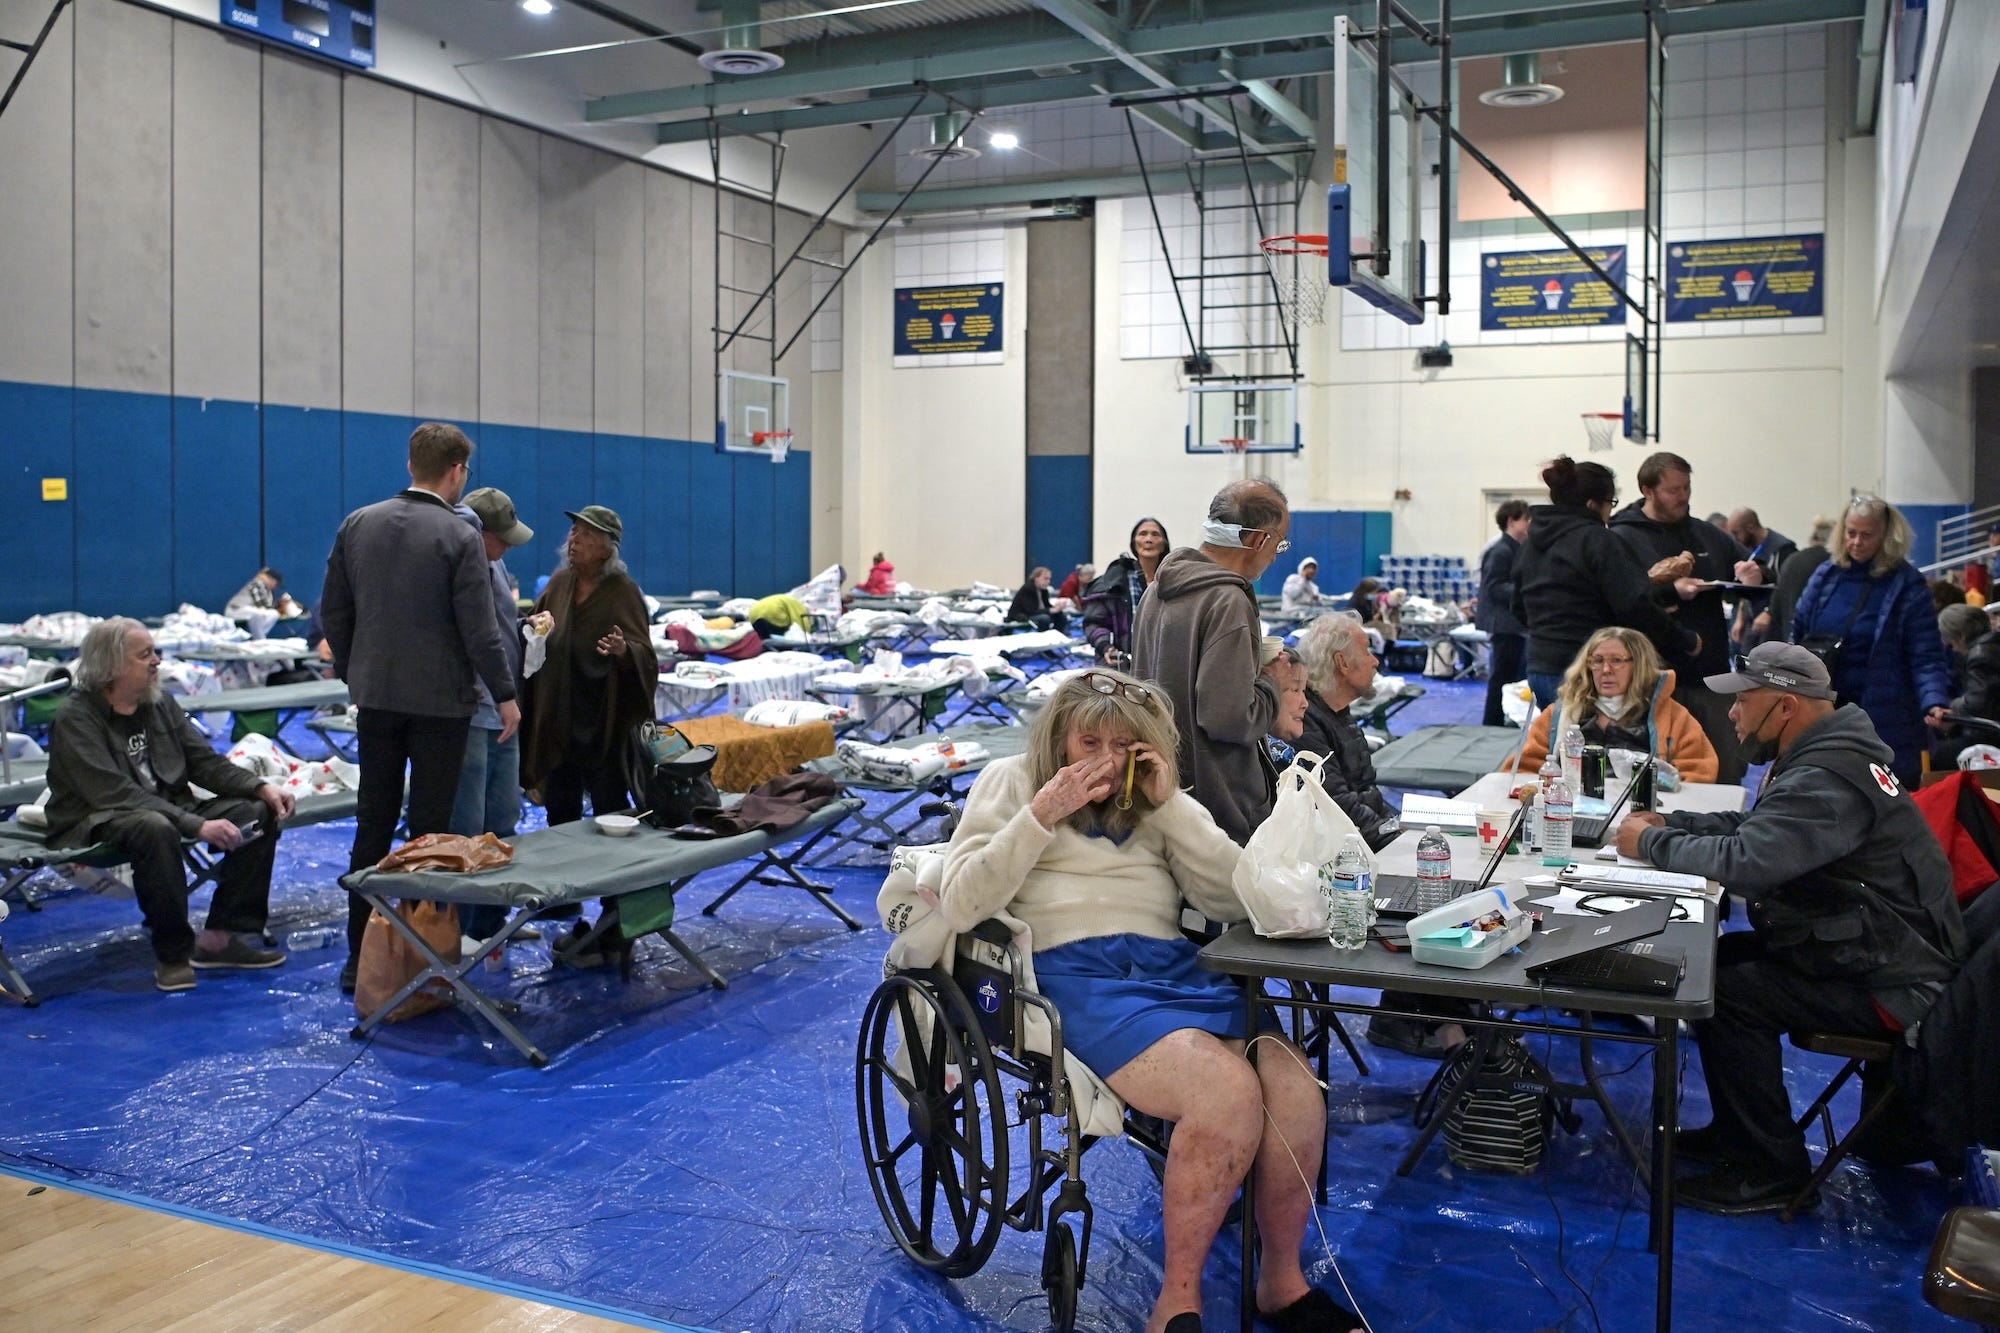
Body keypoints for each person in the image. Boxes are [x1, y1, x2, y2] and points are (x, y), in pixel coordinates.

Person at [937, 670, 1357, 1333]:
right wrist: (1042, 812)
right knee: (1224, 1091)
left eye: (1122, 744)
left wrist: (1172, 805)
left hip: (1169, 962)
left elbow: (1233, 896)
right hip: (1074, 970)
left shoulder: (1153, 801)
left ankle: (1282, 1280)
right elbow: (960, 901)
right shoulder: (1011, 782)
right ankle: (1177, 1302)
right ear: (1057, 741)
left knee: (1296, 1085)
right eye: (1089, 742)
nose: (1105, 758)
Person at [1614, 643, 1964, 1214]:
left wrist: (1652, 842)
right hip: (1881, 953)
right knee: (1716, 962)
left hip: (1898, 985)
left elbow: (1749, 863)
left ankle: (1768, 1170)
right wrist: (1675, 822)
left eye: (1742, 701)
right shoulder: (1830, 753)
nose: (1731, 714)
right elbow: (1761, 827)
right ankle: (1740, 1137)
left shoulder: (1827, 775)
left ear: (1784, 706)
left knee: (1722, 992)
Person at [321, 422, 519, 993]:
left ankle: (360, 958)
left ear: (411, 464)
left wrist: (356, 673)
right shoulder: (458, 536)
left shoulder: (358, 523)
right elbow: (480, 631)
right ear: (457, 471)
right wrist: (505, 696)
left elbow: (334, 613)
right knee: (429, 839)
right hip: (441, 705)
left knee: (372, 825)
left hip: (377, 698)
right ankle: (421, 958)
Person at [45, 619, 294, 991]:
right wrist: (195, 826)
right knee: (154, 826)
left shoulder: (160, 702)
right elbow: (116, 794)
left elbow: (204, 762)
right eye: (145, 655)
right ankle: (173, 954)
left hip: (167, 806)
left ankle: (219, 940)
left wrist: (259, 787)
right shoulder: (75, 718)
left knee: (256, 813)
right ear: (112, 665)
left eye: (155, 652)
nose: (157, 661)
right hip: (99, 818)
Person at [1293, 613, 1468, 1059]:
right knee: (1435, 884)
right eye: (1367, 652)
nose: (1376, 661)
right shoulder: (1308, 724)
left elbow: (1365, 798)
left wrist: (1404, 828)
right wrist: (1401, 836)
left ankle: (1447, 1006)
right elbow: (1337, 808)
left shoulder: (1337, 713)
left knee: (1446, 864)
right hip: (1337, 862)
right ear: (1341, 664)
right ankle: (1410, 1016)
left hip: (1360, 843)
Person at [1132, 480, 1289, 846]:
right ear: (1259, 541)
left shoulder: (1154, 592)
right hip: (1220, 807)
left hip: (1162, 791)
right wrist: (1271, 683)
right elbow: (1226, 718)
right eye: (1279, 544)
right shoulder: (1228, 602)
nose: (1276, 555)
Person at [1789, 496, 1954, 786]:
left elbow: (1926, 656)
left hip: (1886, 716)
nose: (1856, 542)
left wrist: (1934, 701)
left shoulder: (1908, 585)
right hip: (1826, 711)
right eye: (1851, 533)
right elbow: (1797, 634)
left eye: (1867, 535)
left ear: (1886, 536)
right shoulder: (1825, 575)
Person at [1512, 456, 1700, 710]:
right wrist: (1684, 640)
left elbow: (1518, 608)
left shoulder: (1530, 546)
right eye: (1610, 504)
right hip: (1590, 670)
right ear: (1592, 504)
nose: (1611, 513)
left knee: (1560, 745)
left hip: (1539, 667)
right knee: (1593, 747)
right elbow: (1634, 606)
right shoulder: (1600, 541)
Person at [1609, 453, 1752, 781]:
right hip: (1651, 677)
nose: (1683, 496)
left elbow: (1748, 572)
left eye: (1687, 487)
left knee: (1725, 768)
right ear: (1648, 490)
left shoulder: (1706, 535)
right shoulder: (1621, 537)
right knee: (1660, 774)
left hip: (1709, 674)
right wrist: (1670, 590)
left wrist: (1754, 573)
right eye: (1674, 490)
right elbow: (1621, 603)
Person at [520, 506, 658, 830]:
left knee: (609, 807)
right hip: (560, 716)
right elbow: (533, 633)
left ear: (608, 548)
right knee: (560, 808)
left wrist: (625, 651)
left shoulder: (623, 591)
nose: (575, 539)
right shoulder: (559, 583)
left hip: (603, 721)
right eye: (574, 531)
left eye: (588, 534)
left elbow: (647, 659)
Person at [450, 487, 538, 950]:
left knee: (503, 816)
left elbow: (499, 625)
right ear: (474, 530)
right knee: (467, 821)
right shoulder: (457, 563)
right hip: (470, 708)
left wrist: (531, 631)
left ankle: (494, 920)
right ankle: (462, 927)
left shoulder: (498, 563)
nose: (507, 546)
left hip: (505, 706)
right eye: (500, 537)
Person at [1503, 626, 1719, 782]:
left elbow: (1699, 774)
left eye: (1617, 660)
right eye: (1597, 661)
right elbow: (1522, 772)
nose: (1606, 670)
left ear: (1639, 666)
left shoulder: (1672, 717)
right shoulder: (1558, 715)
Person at [1082, 517, 1169, 665]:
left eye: (1155, 534)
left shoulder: (1173, 582)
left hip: (1163, 664)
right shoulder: (1114, 583)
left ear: (1164, 545)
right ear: (1134, 544)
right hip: (1123, 666)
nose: (1149, 539)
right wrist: (1106, 646)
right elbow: (1094, 623)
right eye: (1143, 534)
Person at [1478, 500, 1532, 727]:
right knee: (1502, 678)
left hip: (1513, 625)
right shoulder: (1501, 551)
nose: (1530, 524)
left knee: (1509, 678)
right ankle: (1492, 723)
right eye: (1526, 520)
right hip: (1504, 625)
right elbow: (1494, 586)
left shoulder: (1516, 549)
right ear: (1511, 521)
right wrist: (1526, 590)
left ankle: (1501, 722)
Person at [1725, 508, 1797, 650]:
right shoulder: (1748, 550)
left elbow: (1788, 589)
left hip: (1774, 623)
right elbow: (1747, 587)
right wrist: (1740, 618)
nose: (1734, 538)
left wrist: (1769, 612)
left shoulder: (1783, 550)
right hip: (1753, 619)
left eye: (1736, 533)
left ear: (1750, 527)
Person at [1766, 516, 1833, 644]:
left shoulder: (1792, 559)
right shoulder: (1831, 564)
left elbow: (1775, 606)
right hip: (1818, 643)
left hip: (1789, 637)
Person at [224, 566, 302, 621]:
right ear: (272, 580)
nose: (275, 587)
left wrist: (280, 604)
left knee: (271, 614)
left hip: (243, 611)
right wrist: (280, 606)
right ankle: (258, 639)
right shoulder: (257, 583)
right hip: (235, 610)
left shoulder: (265, 589)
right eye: (276, 584)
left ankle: (259, 638)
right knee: (266, 613)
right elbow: (261, 605)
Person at [1007, 566, 1070, 632]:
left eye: (1049, 579)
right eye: (1045, 579)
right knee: (1044, 618)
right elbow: (1031, 611)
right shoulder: (1028, 589)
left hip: (1036, 613)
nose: (1048, 582)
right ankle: (1042, 638)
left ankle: (1056, 635)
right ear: (1036, 578)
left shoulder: (1044, 590)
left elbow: (1046, 606)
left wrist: (1057, 608)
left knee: (1061, 616)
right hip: (1023, 615)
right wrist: (1051, 610)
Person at [747, 592, 812, 640]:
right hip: (772, 611)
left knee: (767, 637)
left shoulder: (788, 599)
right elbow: (801, 623)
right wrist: (807, 636)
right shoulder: (800, 606)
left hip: (753, 612)